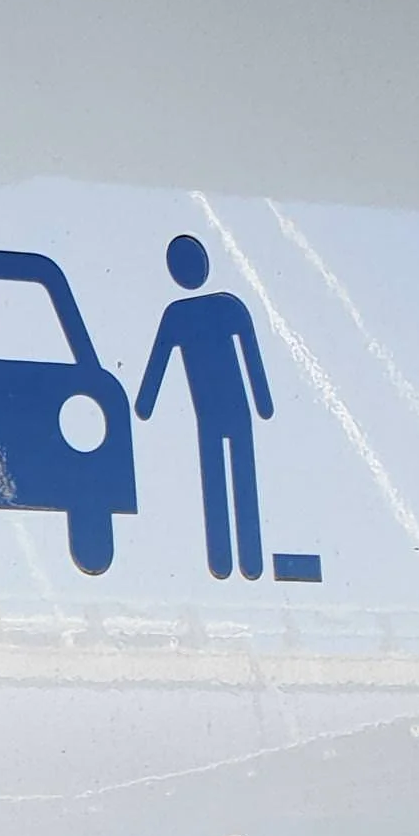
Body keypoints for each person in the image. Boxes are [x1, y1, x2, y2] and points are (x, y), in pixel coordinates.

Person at [135, 235, 275, 579]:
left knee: (233, 476)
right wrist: (144, 404)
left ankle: (244, 561)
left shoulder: (215, 309)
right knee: (221, 477)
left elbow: (251, 356)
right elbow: (158, 364)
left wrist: (264, 402)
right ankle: (227, 561)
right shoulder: (190, 313)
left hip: (222, 409)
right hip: (213, 411)